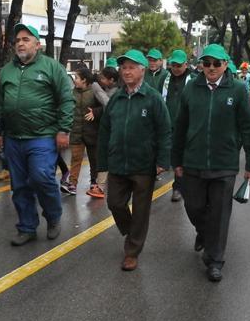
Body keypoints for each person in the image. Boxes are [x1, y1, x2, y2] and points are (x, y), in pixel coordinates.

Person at [172, 44, 250, 282]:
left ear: (225, 65)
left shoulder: (239, 90)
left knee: (220, 214)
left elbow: (248, 128)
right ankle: (203, 232)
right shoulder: (192, 88)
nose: (211, 68)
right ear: (201, 65)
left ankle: (215, 260)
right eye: (206, 63)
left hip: (224, 163)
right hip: (193, 161)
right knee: (194, 207)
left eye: (216, 63)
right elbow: (180, 127)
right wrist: (176, 160)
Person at [0, 23, 74, 246]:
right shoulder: (7, 70)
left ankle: (53, 216)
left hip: (43, 136)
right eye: (18, 39)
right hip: (13, 138)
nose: (20, 43)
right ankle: (27, 227)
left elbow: (66, 100)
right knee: (19, 186)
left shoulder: (52, 67)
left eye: (26, 39)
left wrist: (63, 129)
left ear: (37, 45)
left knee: (41, 176)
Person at [97, 49, 171, 271]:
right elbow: (104, 133)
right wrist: (102, 165)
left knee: (140, 210)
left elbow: (164, 131)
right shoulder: (116, 99)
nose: (126, 71)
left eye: (131, 67)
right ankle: (132, 231)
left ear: (142, 70)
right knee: (115, 203)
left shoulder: (153, 98)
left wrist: (162, 161)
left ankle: (132, 251)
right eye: (123, 67)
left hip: (143, 164)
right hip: (118, 163)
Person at [157, 49, 192, 202]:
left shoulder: (194, 80)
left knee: (180, 157)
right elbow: (158, 98)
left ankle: (178, 187)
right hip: (167, 123)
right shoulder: (165, 78)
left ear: (186, 64)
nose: (176, 68)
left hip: (186, 125)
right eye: (173, 65)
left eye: (179, 65)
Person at [66, 67, 103, 197]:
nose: (75, 80)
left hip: (92, 132)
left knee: (94, 159)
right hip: (76, 132)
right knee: (75, 158)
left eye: (76, 78)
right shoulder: (71, 93)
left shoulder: (94, 92)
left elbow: (104, 107)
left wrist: (95, 112)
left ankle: (94, 182)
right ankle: (72, 184)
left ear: (84, 80)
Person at [90, 66, 120, 195]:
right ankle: (100, 185)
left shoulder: (118, 91)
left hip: (115, 129)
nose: (100, 80)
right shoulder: (107, 88)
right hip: (105, 128)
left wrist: (96, 89)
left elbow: (108, 104)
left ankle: (103, 185)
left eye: (103, 78)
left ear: (112, 80)